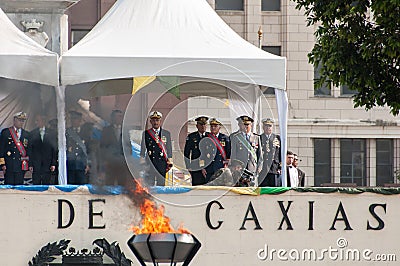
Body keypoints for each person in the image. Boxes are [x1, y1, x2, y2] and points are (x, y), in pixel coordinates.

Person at [140, 111, 173, 186]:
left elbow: (169, 147)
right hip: (150, 162)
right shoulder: (146, 133)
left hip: (162, 162)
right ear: (150, 121)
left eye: (157, 120)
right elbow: (143, 147)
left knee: (161, 185)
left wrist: (170, 159)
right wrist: (141, 158)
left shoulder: (166, 133)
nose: (155, 122)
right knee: (149, 185)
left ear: (160, 121)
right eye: (154, 120)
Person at [229, 115, 263, 186]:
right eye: (244, 124)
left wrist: (259, 168)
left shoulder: (256, 138)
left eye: (247, 124)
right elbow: (233, 154)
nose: (245, 126)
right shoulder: (235, 137)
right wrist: (234, 166)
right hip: (239, 168)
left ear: (251, 125)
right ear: (240, 125)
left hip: (252, 168)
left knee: (252, 189)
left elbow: (260, 155)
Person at [0, 112, 31, 185]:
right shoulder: (6, 132)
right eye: (20, 120)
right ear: (14, 120)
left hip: (20, 166)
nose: (21, 122)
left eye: (23, 121)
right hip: (9, 165)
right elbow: (1, 150)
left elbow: (28, 150)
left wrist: (29, 164)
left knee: (19, 187)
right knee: (8, 187)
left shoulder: (26, 134)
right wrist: (2, 164)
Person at [100, 109, 130, 185]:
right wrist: (105, 160)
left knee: (122, 184)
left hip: (122, 163)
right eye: (117, 117)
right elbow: (102, 146)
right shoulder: (106, 130)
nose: (119, 118)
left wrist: (128, 161)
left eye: (121, 117)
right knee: (109, 183)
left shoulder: (125, 131)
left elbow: (128, 146)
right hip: (110, 163)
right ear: (112, 118)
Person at [29, 114, 57, 185]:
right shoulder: (32, 133)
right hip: (36, 163)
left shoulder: (52, 133)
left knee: (46, 182)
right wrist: (30, 164)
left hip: (47, 163)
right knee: (36, 183)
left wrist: (53, 163)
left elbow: (54, 149)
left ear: (44, 121)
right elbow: (30, 150)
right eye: (36, 121)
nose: (37, 122)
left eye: (39, 120)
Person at [184, 116, 209, 185]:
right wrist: (188, 166)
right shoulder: (191, 137)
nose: (203, 126)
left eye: (204, 124)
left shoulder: (209, 136)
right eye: (201, 124)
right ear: (197, 126)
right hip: (196, 166)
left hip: (208, 166)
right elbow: (187, 152)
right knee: (197, 187)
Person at [66, 111, 89, 185]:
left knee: (81, 186)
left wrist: (88, 163)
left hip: (81, 164)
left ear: (80, 120)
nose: (73, 121)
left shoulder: (86, 132)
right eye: (72, 119)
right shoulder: (67, 132)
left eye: (75, 119)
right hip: (71, 163)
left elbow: (88, 149)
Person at [259, 118, 281, 187]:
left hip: (274, 167)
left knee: (274, 190)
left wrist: (280, 166)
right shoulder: (259, 138)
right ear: (263, 127)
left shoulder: (277, 138)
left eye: (270, 126)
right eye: (266, 126)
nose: (268, 128)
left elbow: (280, 152)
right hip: (263, 168)